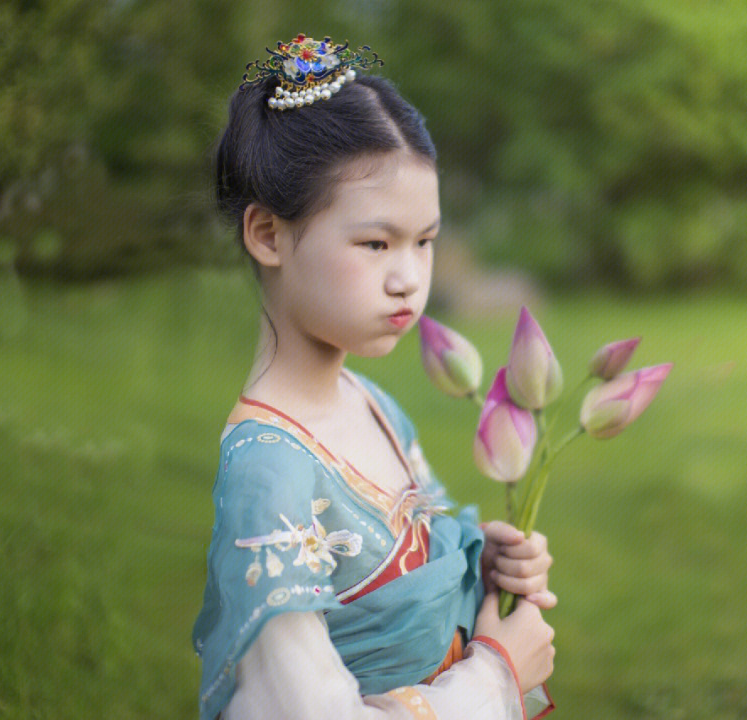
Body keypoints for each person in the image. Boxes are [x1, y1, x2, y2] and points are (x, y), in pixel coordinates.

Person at [191, 35, 557, 720]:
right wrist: (499, 675)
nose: (409, 279)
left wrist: (483, 568)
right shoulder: (268, 475)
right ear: (267, 234)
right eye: (375, 243)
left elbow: (408, 564)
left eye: (425, 241)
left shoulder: (372, 402)